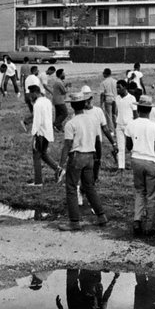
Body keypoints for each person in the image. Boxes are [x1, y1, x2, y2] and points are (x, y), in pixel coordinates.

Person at [58, 92, 107, 231]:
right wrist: (97, 156)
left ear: (72, 106)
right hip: (90, 156)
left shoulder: (71, 123)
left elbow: (67, 145)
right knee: (89, 186)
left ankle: (74, 221)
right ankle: (101, 215)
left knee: (72, 188)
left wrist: (60, 165)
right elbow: (97, 139)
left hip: (77, 156)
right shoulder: (92, 120)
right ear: (85, 103)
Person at [128, 96, 155, 236]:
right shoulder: (154, 126)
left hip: (136, 159)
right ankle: (149, 226)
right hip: (150, 161)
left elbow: (129, 145)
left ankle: (137, 221)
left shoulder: (131, 124)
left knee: (139, 191)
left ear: (138, 108)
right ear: (150, 110)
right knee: (152, 195)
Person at [27, 84, 60, 186]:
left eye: (30, 94)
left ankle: (38, 181)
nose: (30, 97)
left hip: (40, 133)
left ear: (34, 93)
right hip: (48, 132)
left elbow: (37, 121)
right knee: (43, 154)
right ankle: (58, 169)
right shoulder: (47, 101)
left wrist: (33, 136)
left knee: (36, 155)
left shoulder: (37, 105)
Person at [113, 80, 136, 170]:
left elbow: (135, 113)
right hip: (119, 125)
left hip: (129, 125)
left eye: (119, 87)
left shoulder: (131, 98)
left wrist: (135, 125)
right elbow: (115, 112)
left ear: (125, 87)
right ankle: (121, 167)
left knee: (132, 147)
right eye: (117, 88)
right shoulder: (117, 98)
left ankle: (134, 165)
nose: (117, 89)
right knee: (120, 147)